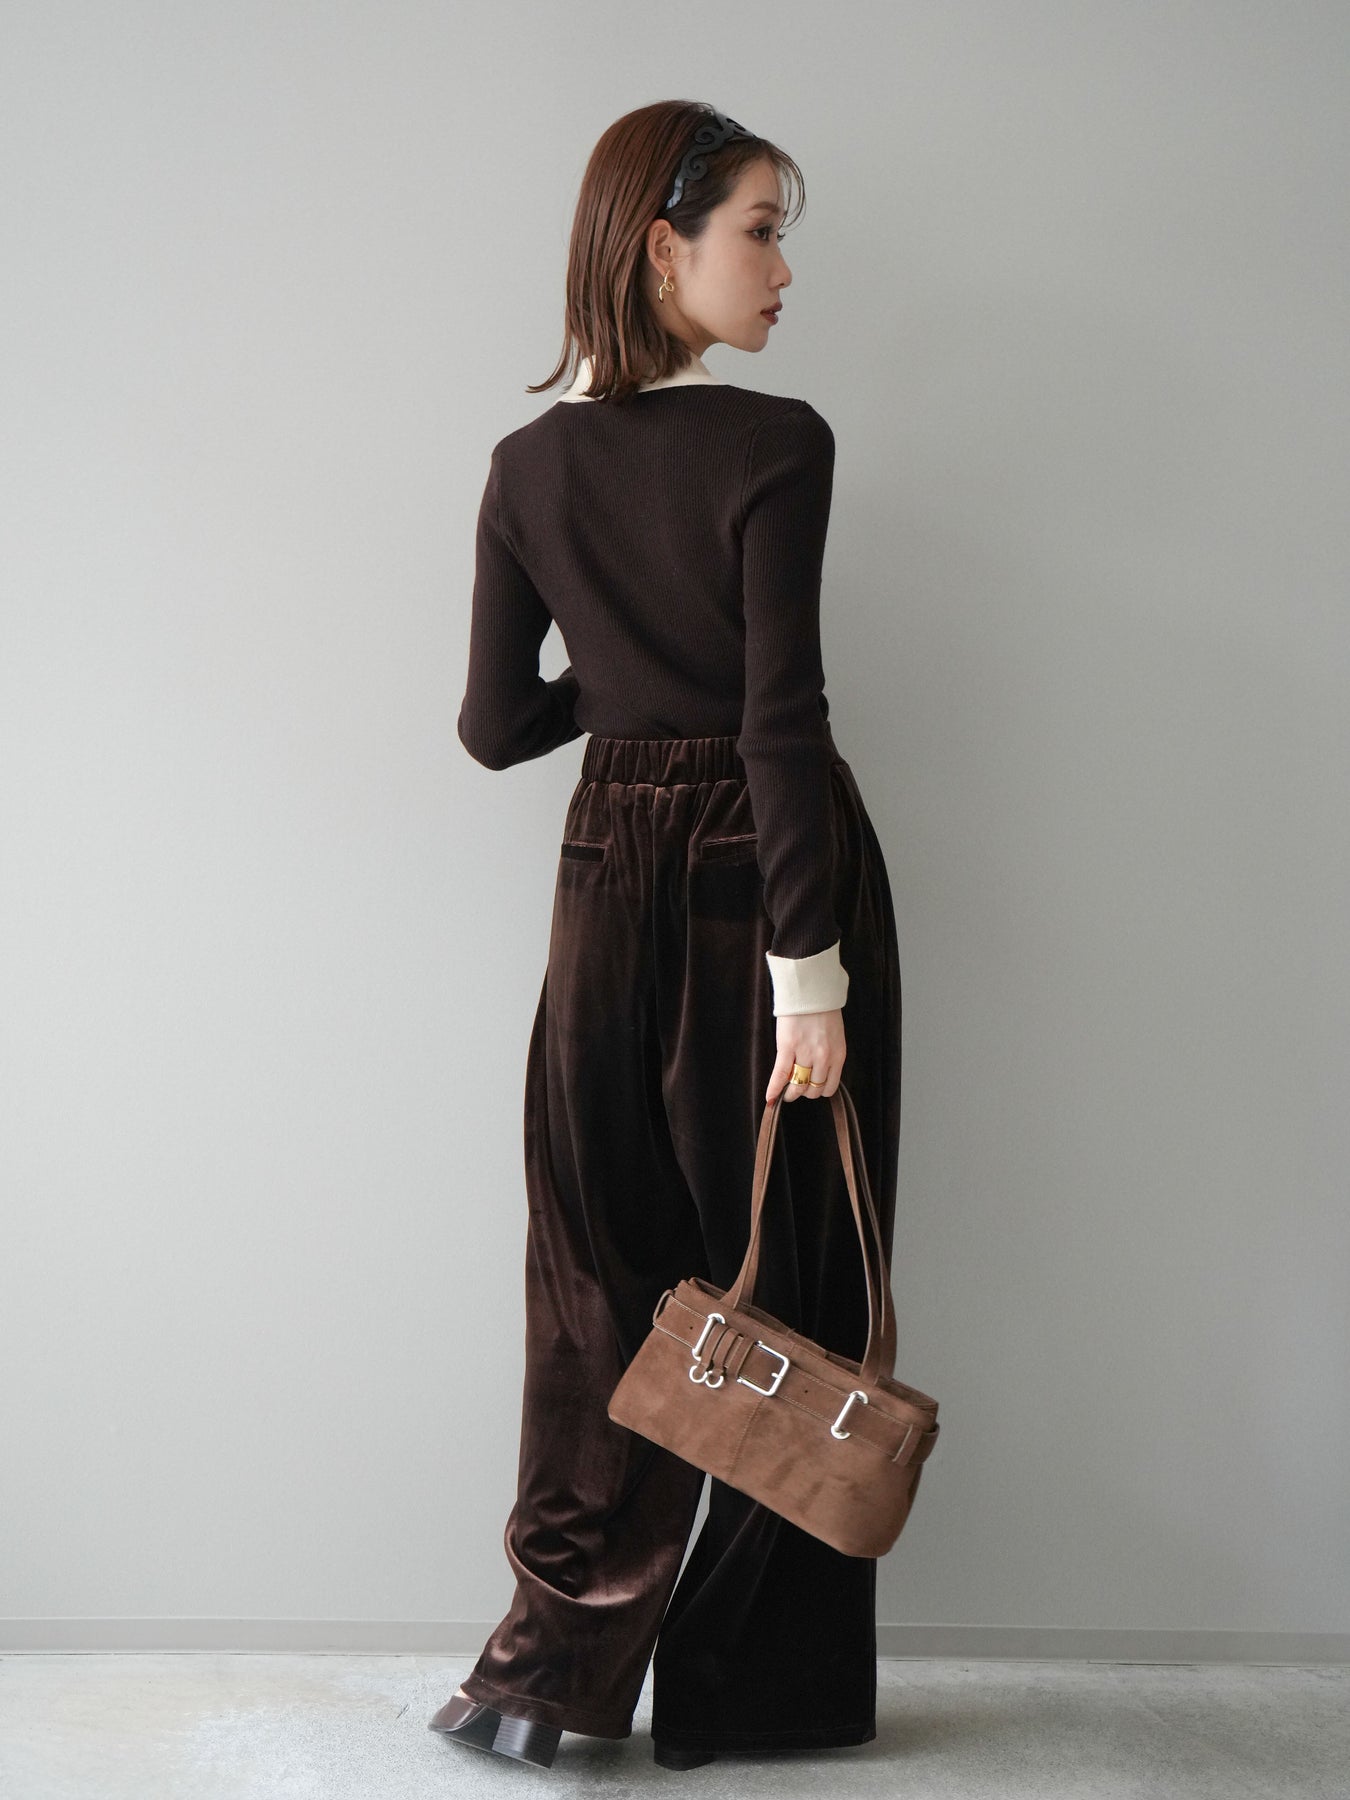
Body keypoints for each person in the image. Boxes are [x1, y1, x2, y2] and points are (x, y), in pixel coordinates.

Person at [428, 101, 904, 1773]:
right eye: (760, 230)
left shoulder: (525, 468)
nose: (782, 270)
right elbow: (779, 719)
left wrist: (619, 681)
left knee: (594, 1277)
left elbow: (494, 727)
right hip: (765, 881)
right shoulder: (776, 444)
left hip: (601, 868)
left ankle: (542, 1677)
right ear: (660, 246)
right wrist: (808, 977)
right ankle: (752, 1693)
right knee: (788, 1282)